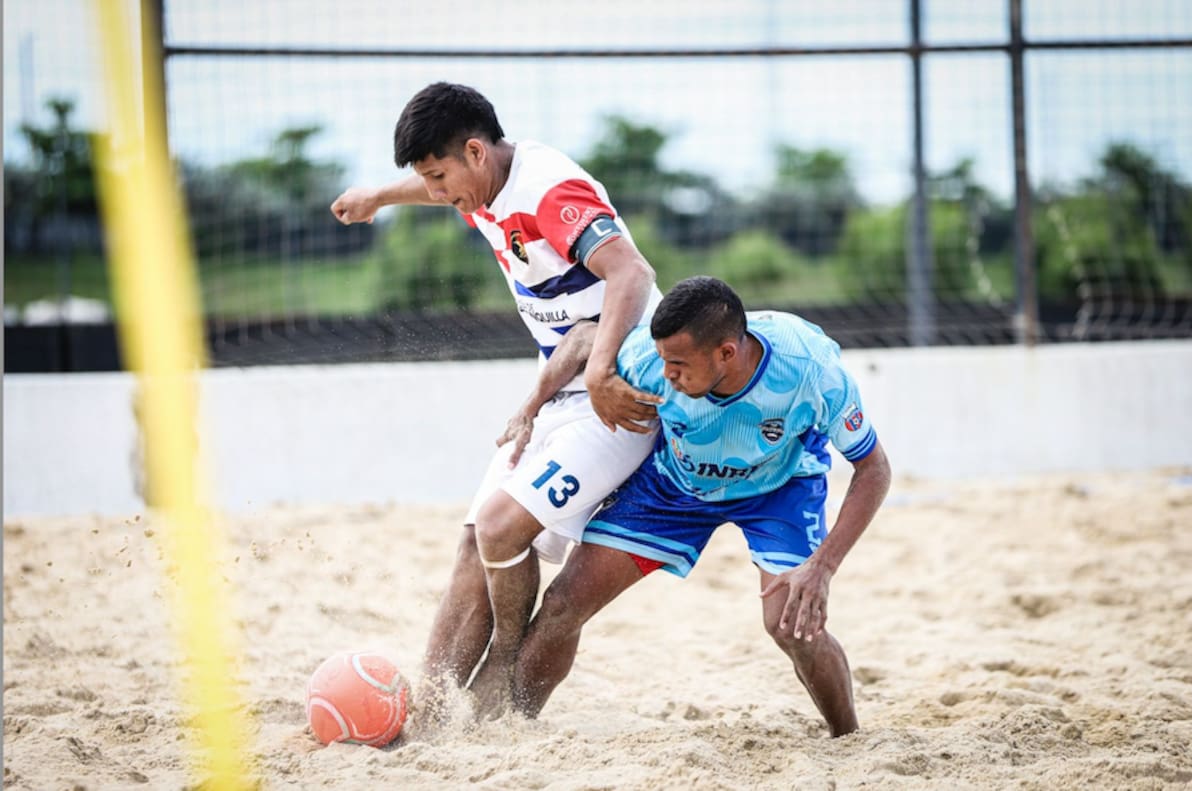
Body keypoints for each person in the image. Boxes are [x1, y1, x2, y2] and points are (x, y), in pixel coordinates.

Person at [330, 82, 663, 717]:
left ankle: (506, 665)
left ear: (476, 152)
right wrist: (379, 194)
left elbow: (633, 273)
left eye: (438, 177)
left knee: (503, 531)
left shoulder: (548, 190)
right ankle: (429, 715)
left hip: (613, 393)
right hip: (559, 385)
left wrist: (596, 373)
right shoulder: (481, 180)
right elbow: (437, 185)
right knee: (474, 545)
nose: (436, 194)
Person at [511, 276, 892, 736]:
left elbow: (873, 470)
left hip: (779, 488)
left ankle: (848, 739)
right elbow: (579, 342)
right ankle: (512, 726)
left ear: (726, 353)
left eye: (678, 365)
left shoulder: (809, 368)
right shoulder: (648, 359)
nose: (666, 374)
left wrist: (822, 567)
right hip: (674, 488)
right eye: (663, 361)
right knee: (563, 603)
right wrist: (531, 405)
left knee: (790, 626)